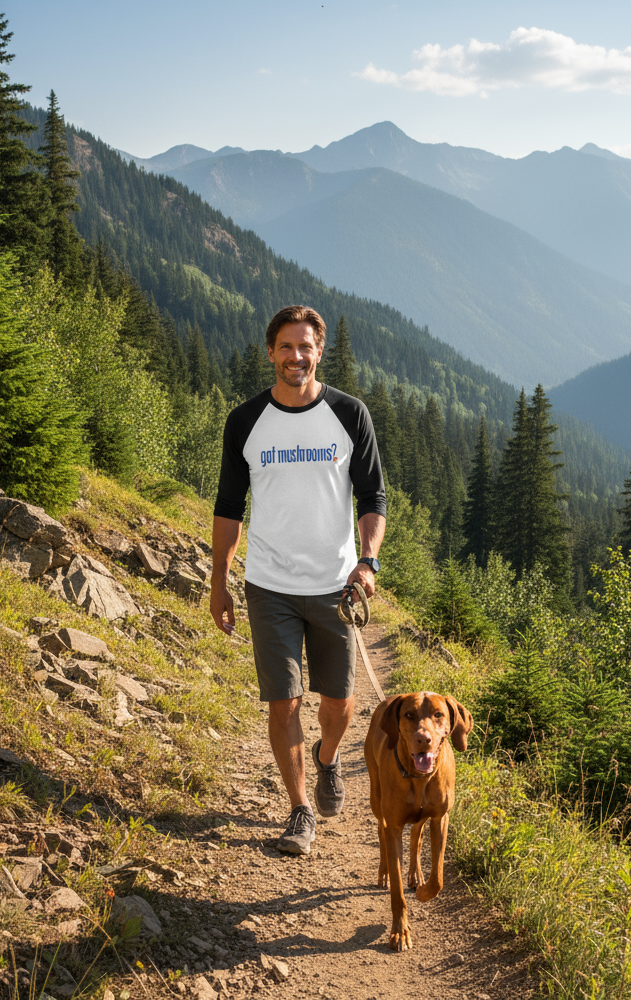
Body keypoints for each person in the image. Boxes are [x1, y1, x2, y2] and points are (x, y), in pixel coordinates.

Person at [210, 305, 386, 855]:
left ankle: (327, 758)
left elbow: (374, 496)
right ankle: (299, 809)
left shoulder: (349, 415)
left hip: (336, 587)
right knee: (283, 703)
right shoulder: (244, 421)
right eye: (286, 347)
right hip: (269, 585)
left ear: (319, 351)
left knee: (339, 702)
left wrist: (368, 561)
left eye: (305, 347)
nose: (296, 357)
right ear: (270, 352)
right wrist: (219, 579)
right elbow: (228, 506)